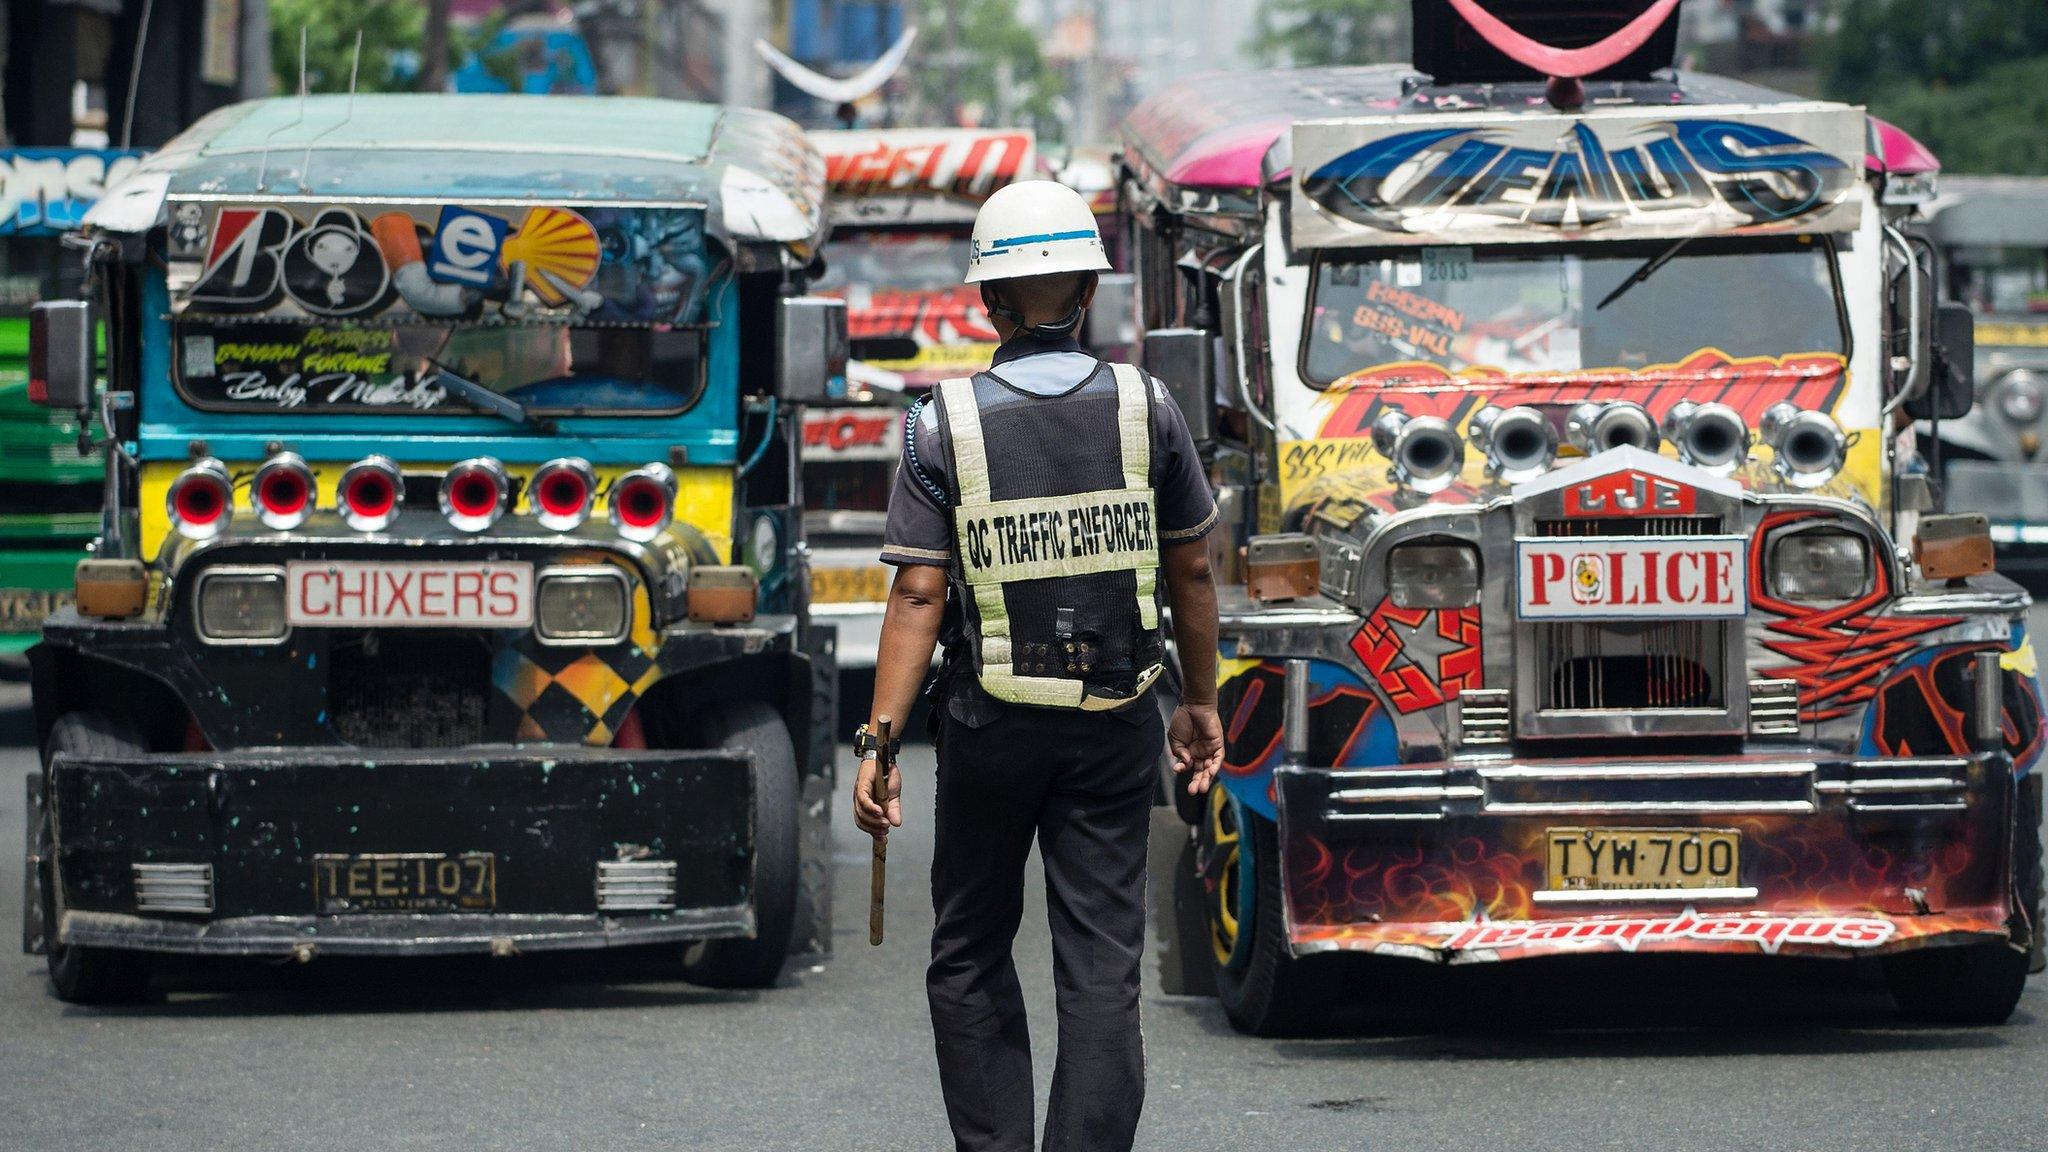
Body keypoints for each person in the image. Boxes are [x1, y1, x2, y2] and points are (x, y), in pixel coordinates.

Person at [852, 180, 1225, 1152]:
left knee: (970, 952)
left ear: (989, 302)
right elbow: (1190, 566)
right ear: (1088, 294)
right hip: (1115, 724)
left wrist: (880, 742)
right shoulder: (1149, 409)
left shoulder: (946, 422)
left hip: (988, 725)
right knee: (1101, 963)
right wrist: (1201, 704)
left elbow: (919, 598)